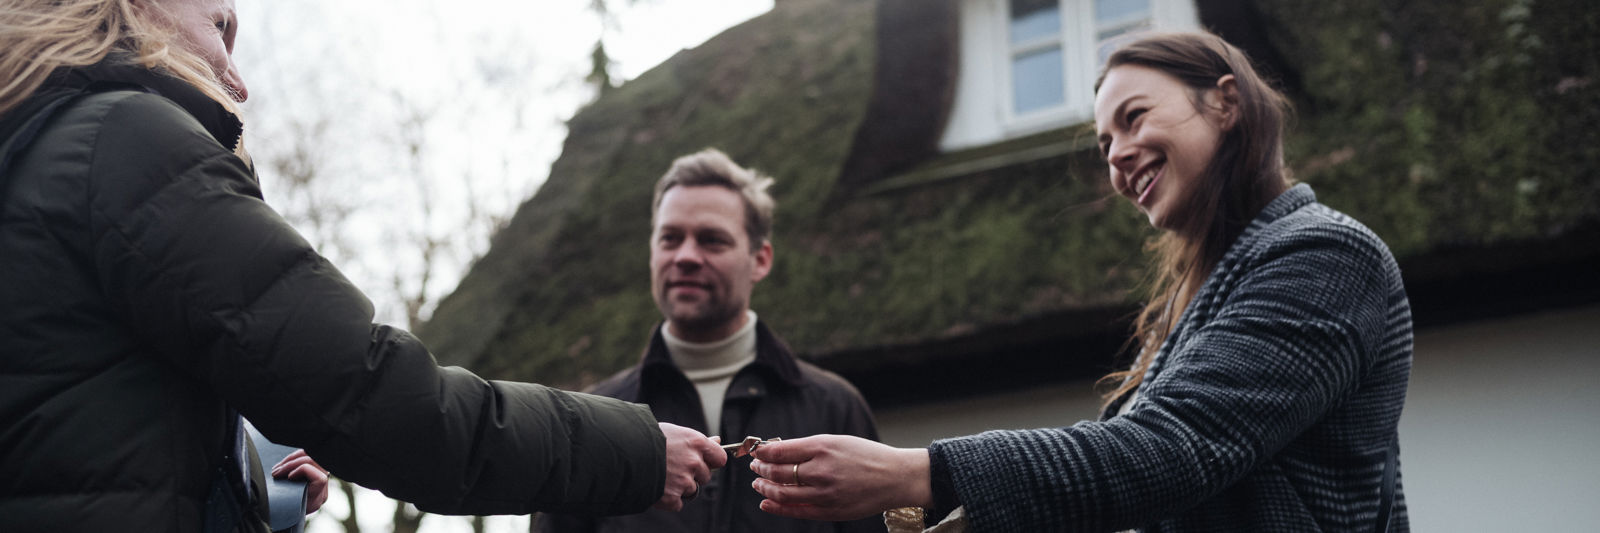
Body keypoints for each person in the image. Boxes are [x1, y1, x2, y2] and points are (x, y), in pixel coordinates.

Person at [0, 1, 725, 531]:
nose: (237, 79)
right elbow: (376, 396)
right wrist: (632, 447)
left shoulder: (33, 160)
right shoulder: (123, 142)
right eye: (222, 27)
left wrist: (249, 468)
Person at [745, 31, 1413, 532]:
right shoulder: (1193, 299)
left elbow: (1171, 451)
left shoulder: (1324, 256)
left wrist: (914, 472)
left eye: (1135, 118)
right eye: (1103, 144)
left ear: (1226, 103)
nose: (1117, 155)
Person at [537, 149, 881, 533]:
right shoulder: (596, 421)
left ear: (760, 260)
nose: (685, 256)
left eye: (712, 240)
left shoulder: (834, 409)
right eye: (670, 238)